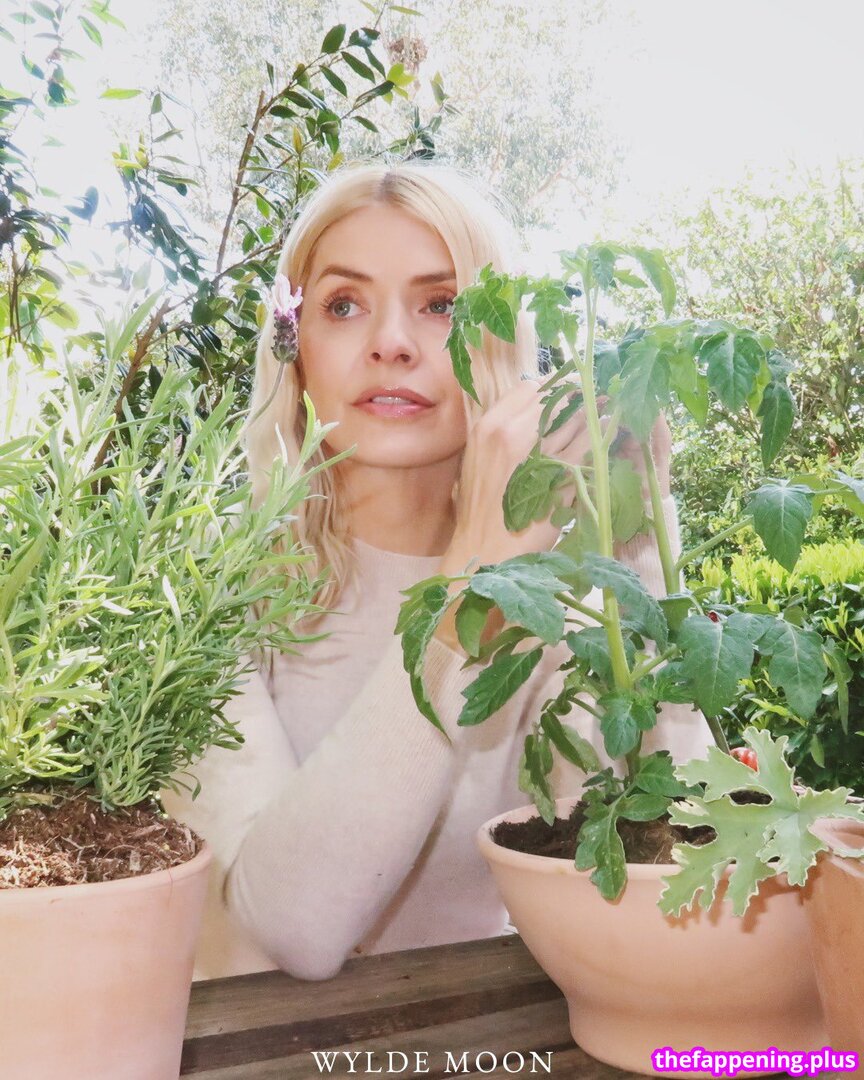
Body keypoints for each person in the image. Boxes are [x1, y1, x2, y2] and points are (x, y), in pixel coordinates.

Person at [160, 160, 711, 982]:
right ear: (294, 346)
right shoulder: (206, 585)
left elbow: (675, 858)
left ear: (502, 340)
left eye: (441, 304)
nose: (391, 343)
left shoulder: (555, 592)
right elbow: (290, 930)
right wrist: (467, 586)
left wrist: (638, 543)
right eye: (343, 305)